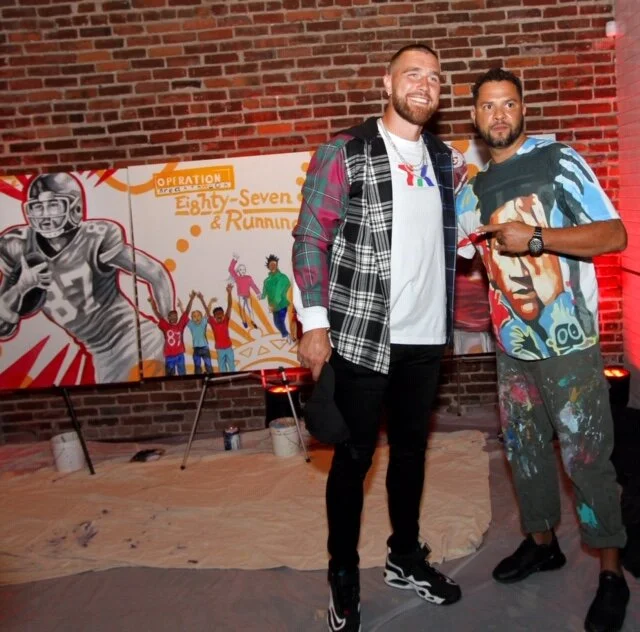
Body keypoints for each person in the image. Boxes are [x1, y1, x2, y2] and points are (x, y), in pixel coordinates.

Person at [292, 43, 462, 632]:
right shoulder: (346, 150)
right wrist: (315, 324)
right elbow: (310, 237)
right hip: (363, 334)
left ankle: (404, 557)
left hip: (426, 337)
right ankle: (342, 574)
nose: (424, 85)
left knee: (411, 454)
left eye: (434, 78)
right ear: (386, 84)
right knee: (354, 457)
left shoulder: (447, 160)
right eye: (412, 74)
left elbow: (454, 235)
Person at [456, 67, 629, 632]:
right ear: (475, 117)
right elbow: (452, 252)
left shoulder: (559, 161)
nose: (498, 115)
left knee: (587, 459)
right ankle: (541, 543)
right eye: (488, 106)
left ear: (522, 109)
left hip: (570, 345)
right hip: (512, 347)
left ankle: (611, 573)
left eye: (508, 103)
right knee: (524, 452)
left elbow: (615, 234)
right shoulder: (471, 192)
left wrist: (535, 238)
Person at [0, 173, 173, 383]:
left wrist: (170, 328)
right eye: (37, 207)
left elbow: (156, 274)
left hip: (136, 341)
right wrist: (20, 287)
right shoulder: (17, 245)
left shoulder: (95, 238)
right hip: (101, 355)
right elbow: (3, 328)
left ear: (75, 207)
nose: (44, 215)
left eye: (53, 205)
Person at [148, 291, 195, 376]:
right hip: (169, 355)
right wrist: (152, 303)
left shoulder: (180, 325)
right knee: (170, 375)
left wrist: (191, 299)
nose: (173, 317)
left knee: (182, 374)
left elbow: (187, 311)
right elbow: (157, 313)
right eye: (171, 316)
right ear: (168, 318)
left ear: (177, 317)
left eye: (175, 316)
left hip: (180, 354)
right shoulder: (165, 325)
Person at [205, 284, 235, 373]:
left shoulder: (226, 320)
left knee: (231, 365)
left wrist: (229, 292)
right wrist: (210, 302)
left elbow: (229, 305)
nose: (219, 315)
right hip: (219, 349)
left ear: (223, 314)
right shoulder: (213, 323)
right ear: (214, 316)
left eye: (221, 313)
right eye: (217, 314)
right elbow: (206, 313)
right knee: (222, 367)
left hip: (228, 348)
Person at [261, 254, 291, 340]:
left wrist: (276, 301)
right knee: (276, 323)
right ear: (268, 267)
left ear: (277, 265)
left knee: (280, 321)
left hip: (282, 304)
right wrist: (261, 296)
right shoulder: (266, 281)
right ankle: (286, 335)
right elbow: (264, 293)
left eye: (274, 264)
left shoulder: (282, 277)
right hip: (273, 306)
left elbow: (282, 289)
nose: (273, 266)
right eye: (271, 264)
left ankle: (287, 337)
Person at [228, 253, 260, 329]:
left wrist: (258, 293)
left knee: (250, 309)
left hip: (248, 296)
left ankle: (253, 322)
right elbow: (230, 269)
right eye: (241, 269)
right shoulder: (237, 278)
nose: (243, 271)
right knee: (242, 309)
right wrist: (234, 260)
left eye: (244, 269)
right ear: (238, 271)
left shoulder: (248, 278)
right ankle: (244, 321)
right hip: (241, 296)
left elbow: (253, 285)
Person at [187, 292, 214, 374]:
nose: (197, 318)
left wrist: (210, 302)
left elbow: (207, 311)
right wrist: (190, 300)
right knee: (197, 367)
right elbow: (185, 315)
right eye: (194, 316)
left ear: (202, 317)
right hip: (196, 349)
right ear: (191, 319)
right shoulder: (191, 324)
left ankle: (210, 377)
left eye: (198, 315)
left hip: (205, 348)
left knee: (208, 366)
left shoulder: (203, 322)